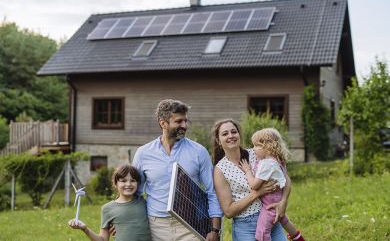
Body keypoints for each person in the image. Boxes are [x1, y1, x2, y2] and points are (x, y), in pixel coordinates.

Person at [132, 99, 223, 241]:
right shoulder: (143, 153)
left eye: (186, 121)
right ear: (163, 123)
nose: (184, 125)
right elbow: (135, 193)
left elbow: (212, 191)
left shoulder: (199, 152)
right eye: (179, 121)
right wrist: (122, 217)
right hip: (155, 226)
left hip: (192, 225)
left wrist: (215, 229)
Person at [212, 119, 290, 241]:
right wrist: (257, 193)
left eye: (234, 132)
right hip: (246, 226)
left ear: (239, 135)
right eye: (225, 134)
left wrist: (283, 201)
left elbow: (285, 176)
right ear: (218, 140)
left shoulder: (257, 153)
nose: (231, 136)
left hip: (270, 218)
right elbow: (228, 211)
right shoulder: (220, 170)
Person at [239, 128, 305, 241]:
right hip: (277, 200)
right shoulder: (277, 160)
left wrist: (247, 170)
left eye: (257, 146)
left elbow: (254, 186)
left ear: (268, 147)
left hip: (269, 206)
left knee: (262, 233)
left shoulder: (267, 164)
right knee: (284, 221)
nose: (253, 149)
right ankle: (298, 238)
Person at [68, 164, 151, 241]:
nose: (128, 184)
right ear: (115, 183)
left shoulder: (143, 201)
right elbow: (103, 239)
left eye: (132, 180)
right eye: (123, 181)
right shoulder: (107, 209)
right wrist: (85, 228)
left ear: (138, 183)